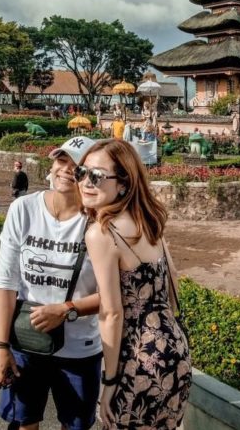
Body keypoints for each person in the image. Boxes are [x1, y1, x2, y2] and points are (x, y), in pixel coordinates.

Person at [0, 136, 102, 430]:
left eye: (78, 165)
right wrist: (0, 345)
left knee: (75, 424)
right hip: (27, 343)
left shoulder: (100, 220)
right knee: (25, 421)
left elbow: (114, 295)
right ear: (51, 165)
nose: (67, 169)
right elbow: (6, 281)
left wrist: (66, 309)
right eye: (61, 160)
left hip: (80, 347)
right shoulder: (23, 209)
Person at [80, 139, 191, 429]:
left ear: (123, 184)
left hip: (139, 359)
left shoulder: (102, 234)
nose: (85, 183)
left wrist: (110, 381)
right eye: (82, 173)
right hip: (175, 351)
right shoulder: (149, 220)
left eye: (96, 176)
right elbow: (172, 283)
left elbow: (112, 313)